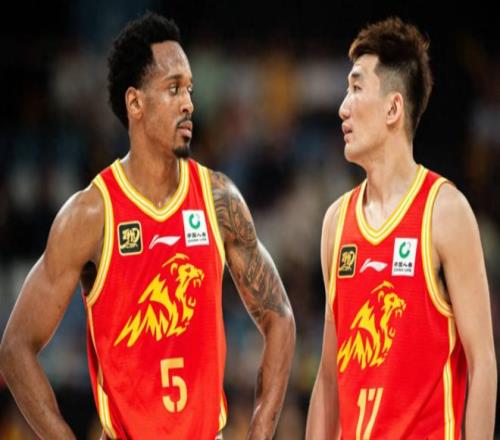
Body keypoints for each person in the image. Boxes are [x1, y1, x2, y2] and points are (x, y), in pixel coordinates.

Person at [0, 12, 295, 440]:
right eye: (173, 89)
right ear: (135, 103)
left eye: (190, 89)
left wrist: (260, 430)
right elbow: (15, 347)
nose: (188, 103)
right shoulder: (91, 214)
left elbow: (280, 317)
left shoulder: (219, 198)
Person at [306, 17, 497, 439]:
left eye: (356, 88)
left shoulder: (445, 212)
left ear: (393, 109)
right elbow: (328, 378)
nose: (342, 107)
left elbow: (483, 362)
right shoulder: (336, 221)